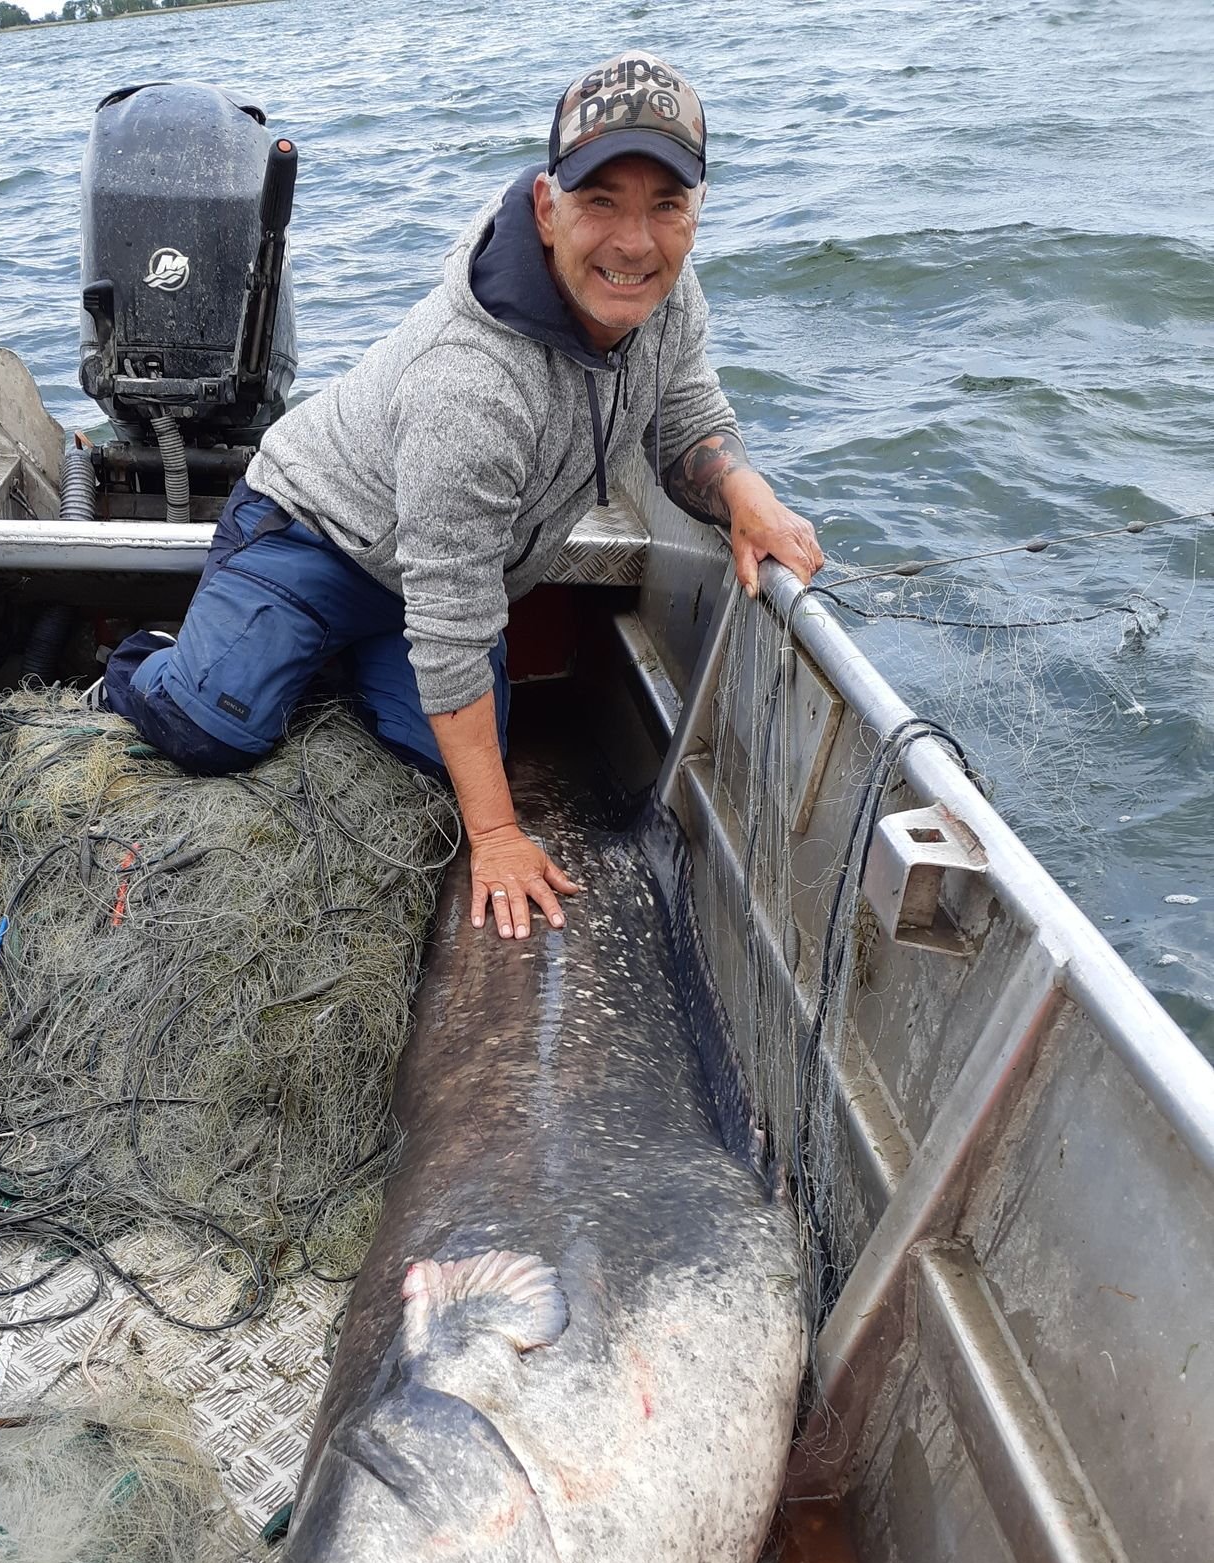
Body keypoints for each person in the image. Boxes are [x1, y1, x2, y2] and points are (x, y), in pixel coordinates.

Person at [104, 50, 824, 940]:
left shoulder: (661, 296)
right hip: (312, 529)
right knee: (216, 728)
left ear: (696, 208)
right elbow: (453, 624)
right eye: (601, 202)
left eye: (665, 206)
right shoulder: (471, 385)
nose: (635, 243)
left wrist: (743, 493)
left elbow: (684, 411)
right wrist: (496, 836)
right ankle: (152, 665)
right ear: (545, 205)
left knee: (430, 766)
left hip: (428, 578)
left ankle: (320, 661)